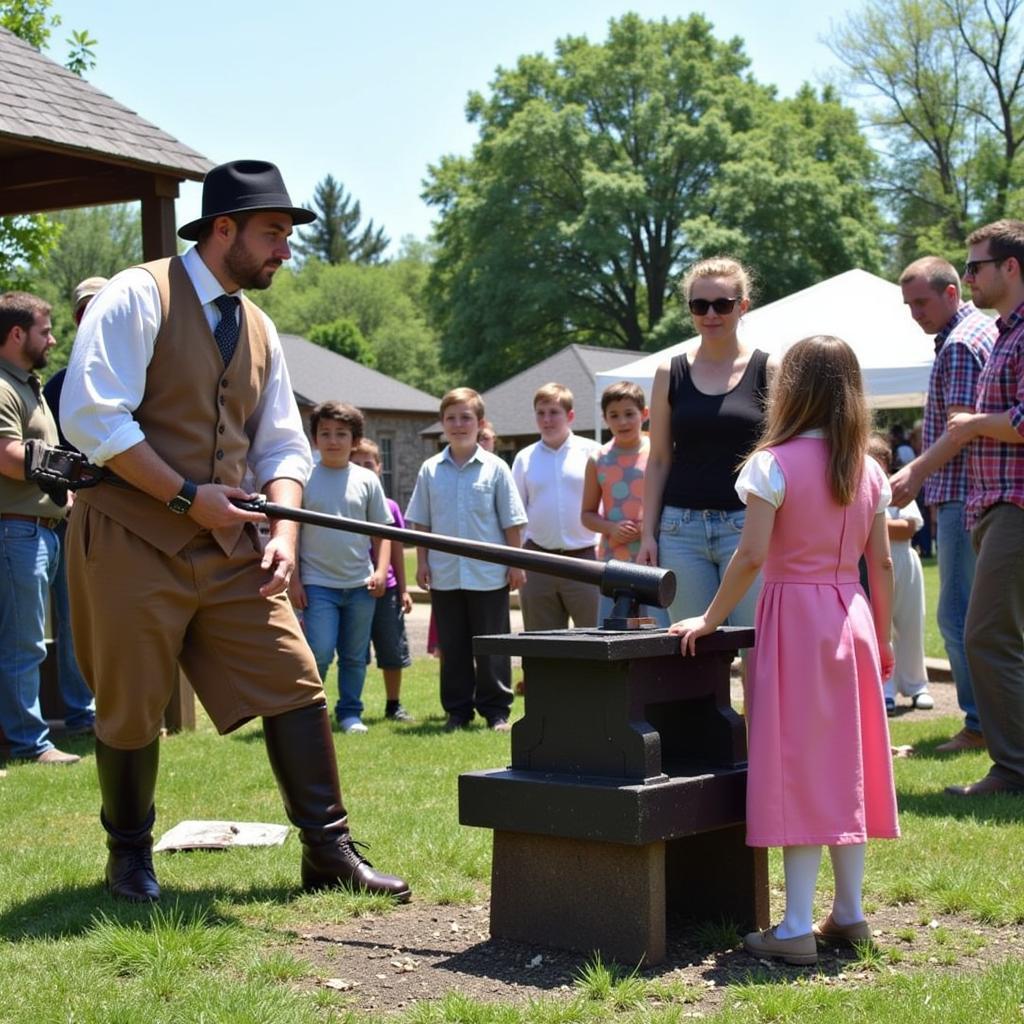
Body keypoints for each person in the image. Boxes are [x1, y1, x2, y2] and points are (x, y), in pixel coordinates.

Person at [61, 159, 410, 901]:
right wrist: (187, 497)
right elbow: (92, 418)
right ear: (225, 230)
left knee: (295, 680)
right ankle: (129, 857)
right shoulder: (136, 295)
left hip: (231, 546)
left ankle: (328, 851)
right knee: (129, 706)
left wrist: (282, 533)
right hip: (129, 536)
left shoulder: (258, 326)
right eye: (274, 234)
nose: (285, 250)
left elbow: (282, 442)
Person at [671, 335, 899, 967]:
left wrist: (709, 618)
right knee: (845, 765)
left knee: (797, 765)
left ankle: (797, 924)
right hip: (850, 618)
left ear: (789, 389)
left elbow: (750, 557)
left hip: (794, 621)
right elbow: (879, 561)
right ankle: (848, 914)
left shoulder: (770, 464)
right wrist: (881, 640)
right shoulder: (869, 468)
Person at [890, 256, 996, 753]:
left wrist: (914, 471)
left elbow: (959, 430)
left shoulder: (957, 344)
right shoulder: (982, 331)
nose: (914, 313)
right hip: (979, 493)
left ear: (952, 293)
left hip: (961, 493)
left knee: (957, 616)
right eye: (908, 304)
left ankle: (978, 726)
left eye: (921, 302)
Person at [639, 257, 773, 626]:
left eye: (722, 304)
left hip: (748, 526)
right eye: (700, 305)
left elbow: (781, 459)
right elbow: (659, 459)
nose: (710, 314)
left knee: (756, 645)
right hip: (680, 531)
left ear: (742, 306)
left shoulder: (769, 369)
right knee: (689, 649)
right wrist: (648, 535)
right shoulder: (670, 371)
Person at [944, 219, 1024, 797]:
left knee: (986, 637)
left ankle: (1014, 769)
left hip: (1016, 507)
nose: (968, 276)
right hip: (994, 507)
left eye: (975, 266)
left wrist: (973, 425)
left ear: (1010, 268)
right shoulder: (1003, 333)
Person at [406, 387, 527, 732]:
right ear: (442, 423)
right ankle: (457, 711)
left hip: (488, 574)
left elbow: (512, 521)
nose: (458, 425)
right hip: (445, 574)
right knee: (453, 646)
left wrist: (515, 563)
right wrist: (423, 562)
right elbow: (422, 523)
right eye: (451, 418)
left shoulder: (496, 468)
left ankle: (496, 711)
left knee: (492, 645)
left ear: (480, 423)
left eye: (466, 418)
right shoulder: (430, 470)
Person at [0, 291, 79, 764]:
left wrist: (64, 489)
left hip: (41, 530)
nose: (52, 339)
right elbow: (8, 456)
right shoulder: (3, 387)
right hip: (16, 531)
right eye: (45, 330)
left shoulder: (28, 383)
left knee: (34, 639)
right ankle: (28, 742)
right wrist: (63, 469)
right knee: (22, 643)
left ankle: (39, 733)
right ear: (16, 334)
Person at [289, 402, 391, 734]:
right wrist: (295, 581)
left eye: (341, 434)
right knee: (318, 650)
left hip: (361, 585)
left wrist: (380, 571)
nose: (333, 441)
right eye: (325, 433)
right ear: (314, 439)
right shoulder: (303, 478)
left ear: (355, 439)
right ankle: (308, 712)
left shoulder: (366, 480)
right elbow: (293, 532)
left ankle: (349, 713)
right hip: (318, 584)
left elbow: (383, 533)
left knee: (354, 655)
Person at [38, 277, 107, 741]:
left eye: (100, 308)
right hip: (70, 518)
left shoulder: (142, 378)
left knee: (116, 617)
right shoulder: (60, 384)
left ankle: (123, 711)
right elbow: (42, 452)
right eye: (83, 309)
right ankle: (82, 716)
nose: (90, 318)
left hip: (129, 519)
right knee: (73, 616)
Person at [511, 383, 601, 632]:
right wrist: (515, 560)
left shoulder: (592, 452)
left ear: (570, 416)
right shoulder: (524, 458)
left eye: (554, 412)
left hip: (586, 560)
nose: (547, 419)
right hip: (538, 560)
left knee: (596, 641)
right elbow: (516, 514)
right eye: (541, 413)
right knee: (543, 646)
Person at [581, 380, 669, 627]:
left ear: (645, 413)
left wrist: (647, 527)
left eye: (629, 414)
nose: (622, 422)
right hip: (614, 562)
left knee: (657, 628)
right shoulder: (598, 459)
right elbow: (586, 514)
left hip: (655, 557)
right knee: (614, 628)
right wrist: (611, 528)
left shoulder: (659, 453)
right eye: (614, 415)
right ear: (605, 418)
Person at [867, 434, 933, 714]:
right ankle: (886, 688)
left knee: (911, 625)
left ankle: (917, 685)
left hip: (904, 561)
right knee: (880, 627)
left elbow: (909, 527)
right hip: (872, 565)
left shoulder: (896, 489)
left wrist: (872, 522)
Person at [350, 438, 414, 723]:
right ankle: (354, 706)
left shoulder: (389, 506)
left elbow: (397, 550)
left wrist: (403, 589)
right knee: (356, 650)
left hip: (386, 589)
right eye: (357, 463)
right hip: (354, 585)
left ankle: (394, 704)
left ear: (379, 467)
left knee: (392, 647)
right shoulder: (345, 502)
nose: (363, 468)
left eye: (368, 463)